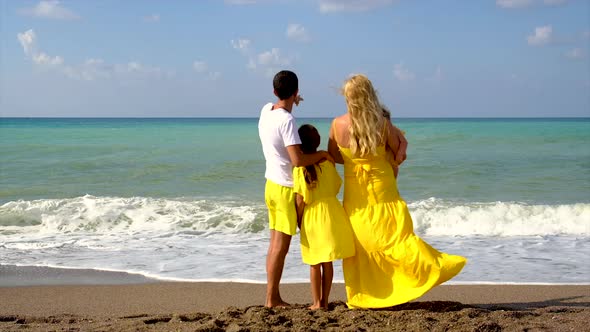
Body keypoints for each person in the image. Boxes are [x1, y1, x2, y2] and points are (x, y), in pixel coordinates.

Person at [328, 74, 466, 309]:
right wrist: (392, 157)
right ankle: (431, 267)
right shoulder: (382, 123)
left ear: (348, 97)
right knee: (396, 236)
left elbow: (333, 156)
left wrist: (355, 162)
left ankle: (370, 294)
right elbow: (398, 154)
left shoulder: (337, 124)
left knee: (362, 242)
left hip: (356, 191)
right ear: (370, 96)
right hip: (383, 186)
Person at [258, 70, 333, 308]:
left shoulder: (266, 110)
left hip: (270, 184)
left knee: (273, 243)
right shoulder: (287, 121)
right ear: (296, 91)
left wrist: (292, 102)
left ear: (274, 92)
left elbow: (282, 109)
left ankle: (272, 295)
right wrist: (322, 155)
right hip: (284, 188)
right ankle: (272, 298)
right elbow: (298, 160)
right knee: (280, 246)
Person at [293, 124, 356, 310]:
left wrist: (298, 219)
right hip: (331, 214)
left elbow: (300, 200)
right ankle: (326, 301)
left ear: (299, 145)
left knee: (314, 263)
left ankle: (316, 303)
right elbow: (337, 186)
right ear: (317, 142)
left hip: (312, 217)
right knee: (327, 262)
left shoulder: (299, 169)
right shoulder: (328, 163)